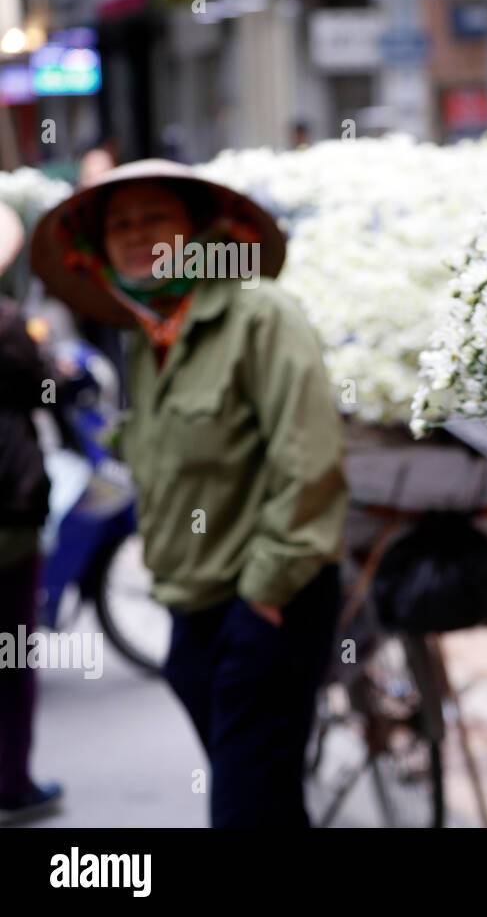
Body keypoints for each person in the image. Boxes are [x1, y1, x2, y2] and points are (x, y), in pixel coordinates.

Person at [31, 161, 349, 827]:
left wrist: (264, 595)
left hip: (269, 602)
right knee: (264, 803)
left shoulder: (261, 316)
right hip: (190, 607)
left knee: (242, 811)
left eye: (155, 218)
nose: (136, 235)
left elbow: (309, 462)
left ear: (199, 229)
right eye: (119, 224)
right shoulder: (149, 337)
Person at [0, 202, 62, 825]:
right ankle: (12, 783)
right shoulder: (9, 325)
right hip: (10, 514)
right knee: (13, 653)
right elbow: (45, 387)